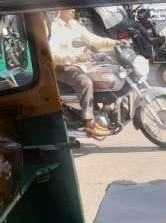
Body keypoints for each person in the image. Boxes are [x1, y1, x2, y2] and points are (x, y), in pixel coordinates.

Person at [50, 8, 118, 137]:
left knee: (106, 73)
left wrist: (115, 43)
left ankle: (104, 109)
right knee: (85, 82)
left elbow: (93, 39)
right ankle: (89, 123)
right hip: (62, 67)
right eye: (68, 7)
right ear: (60, 9)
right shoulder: (54, 27)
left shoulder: (74, 24)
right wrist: (76, 58)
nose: (73, 10)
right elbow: (53, 55)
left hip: (80, 65)